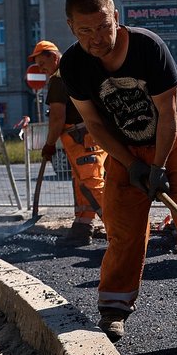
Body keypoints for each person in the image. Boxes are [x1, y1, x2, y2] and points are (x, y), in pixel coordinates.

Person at [58, 0, 177, 345]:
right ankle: (114, 310)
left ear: (116, 17)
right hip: (124, 151)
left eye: (103, 26)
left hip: (173, 143)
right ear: (71, 27)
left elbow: (167, 114)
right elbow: (97, 125)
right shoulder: (72, 64)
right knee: (123, 228)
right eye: (85, 30)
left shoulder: (148, 47)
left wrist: (159, 166)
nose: (96, 38)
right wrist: (132, 165)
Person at [30, 40, 106, 247]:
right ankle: (82, 227)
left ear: (54, 57)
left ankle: (122, 231)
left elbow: (57, 117)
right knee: (82, 183)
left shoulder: (59, 78)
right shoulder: (75, 71)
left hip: (81, 137)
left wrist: (49, 144)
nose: (41, 69)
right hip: (85, 136)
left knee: (91, 183)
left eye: (42, 64)